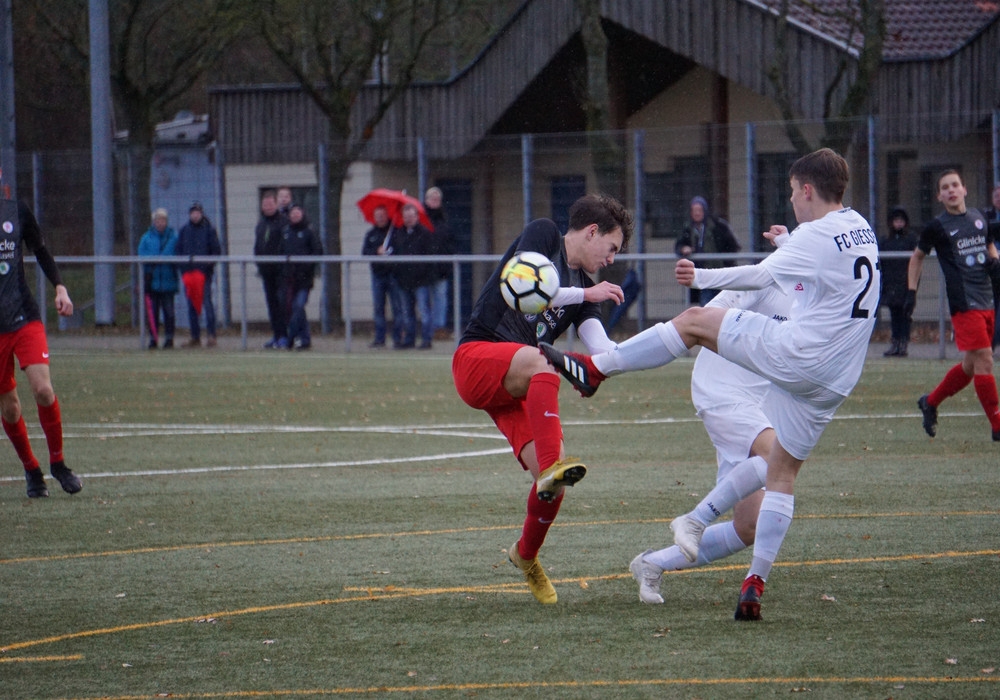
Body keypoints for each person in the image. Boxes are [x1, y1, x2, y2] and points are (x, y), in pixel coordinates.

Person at [541, 149, 880, 620]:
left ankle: (602, 375)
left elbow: (771, 272)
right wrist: (786, 247)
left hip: (790, 366)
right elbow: (800, 274)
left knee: (697, 324)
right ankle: (742, 582)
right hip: (799, 382)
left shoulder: (809, 248)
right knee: (768, 488)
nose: (791, 204)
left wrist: (700, 274)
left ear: (806, 190)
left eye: (790, 192)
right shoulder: (855, 231)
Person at [452, 193, 632, 604]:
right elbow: (527, 284)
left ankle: (525, 555)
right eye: (612, 247)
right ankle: (554, 464)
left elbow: (605, 350)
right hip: (477, 358)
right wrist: (586, 298)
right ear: (591, 232)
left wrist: (666, 341)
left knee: (552, 487)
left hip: (516, 383)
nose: (611, 259)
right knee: (545, 363)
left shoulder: (587, 291)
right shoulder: (545, 233)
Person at [630, 283, 790, 604]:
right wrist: (616, 356)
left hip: (758, 405)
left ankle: (652, 563)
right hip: (724, 394)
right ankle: (695, 519)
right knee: (779, 457)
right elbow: (698, 319)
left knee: (748, 526)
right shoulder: (763, 278)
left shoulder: (819, 295)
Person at [907, 170, 1000, 441]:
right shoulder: (937, 226)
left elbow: (989, 247)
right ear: (939, 195)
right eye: (945, 187)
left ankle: (931, 402)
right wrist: (911, 292)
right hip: (964, 303)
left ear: (964, 189)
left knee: (971, 365)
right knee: (984, 359)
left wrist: (995, 263)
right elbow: (917, 257)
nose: (951, 190)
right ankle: (997, 424)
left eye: (955, 185)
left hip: (986, 299)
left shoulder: (979, 219)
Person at [0, 197, 82, 497]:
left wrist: (60, 287)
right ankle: (32, 470)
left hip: (24, 317)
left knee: (43, 390)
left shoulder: (15, 211)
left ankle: (58, 464)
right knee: (9, 408)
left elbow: (41, 250)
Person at [674, 196, 740, 305]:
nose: (697, 213)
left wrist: (724, 260)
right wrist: (683, 248)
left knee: (726, 303)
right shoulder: (688, 228)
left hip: (721, 272)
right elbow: (679, 245)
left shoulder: (718, 226)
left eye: (699, 210)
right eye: (694, 210)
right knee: (707, 305)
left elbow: (733, 245)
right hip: (703, 275)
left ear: (705, 211)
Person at [175, 202, 221, 348]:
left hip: (204, 275)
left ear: (201, 213)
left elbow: (216, 251)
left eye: (198, 212)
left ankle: (211, 335)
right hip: (189, 275)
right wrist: (184, 270)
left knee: (207, 305)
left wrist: (207, 268)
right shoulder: (184, 231)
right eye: (193, 212)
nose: (195, 215)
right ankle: (195, 337)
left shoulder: (209, 230)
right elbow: (178, 252)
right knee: (192, 306)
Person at [390, 203, 434, 349]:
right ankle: (409, 340)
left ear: (416, 216)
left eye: (411, 216)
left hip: (421, 280)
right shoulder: (397, 233)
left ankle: (426, 339)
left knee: (424, 311)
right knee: (407, 313)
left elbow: (429, 256)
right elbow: (394, 252)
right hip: (403, 280)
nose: (408, 219)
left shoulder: (425, 233)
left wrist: (423, 273)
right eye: (406, 216)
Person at [281, 204, 323, 350]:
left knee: (298, 306)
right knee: (295, 309)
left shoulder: (309, 232)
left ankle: (290, 338)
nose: (295, 215)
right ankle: (304, 339)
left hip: (304, 279)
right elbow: (280, 252)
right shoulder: (285, 232)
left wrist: (306, 266)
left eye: (298, 213)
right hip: (289, 279)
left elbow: (318, 251)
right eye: (293, 213)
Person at [138, 208, 179, 349]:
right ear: (154, 221)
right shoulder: (146, 238)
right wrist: (155, 260)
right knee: (152, 313)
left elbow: (178, 255)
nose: (160, 223)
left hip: (168, 281)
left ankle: (169, 339)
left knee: (169, 313)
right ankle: (153, 339)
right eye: (158, 220)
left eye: (163, 220)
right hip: (153, 282)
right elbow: (141, 256)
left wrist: (165, 260)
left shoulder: (174, 237)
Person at [879, 206, 917, 357]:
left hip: (906, 284)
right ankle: (895, 342)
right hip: (891, 284)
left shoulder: (910, 240)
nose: (898, 224)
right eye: (896, 221)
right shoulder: (886, 241)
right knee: (894, 314)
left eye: (901, 221)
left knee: (905, 314)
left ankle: (903, 343)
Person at [254, 190, 289, 349]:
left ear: (276, 204)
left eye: (270, 204)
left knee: (282, 304)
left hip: (280, 272)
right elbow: (258, 246)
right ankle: (276, 335)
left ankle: (285, 336)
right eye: (265, 204)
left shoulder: (283, 223)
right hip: (266, 272)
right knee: (272, 305)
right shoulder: (261, 224)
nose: (267, 207)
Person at [361, 204, 399, 348]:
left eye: (382, 215)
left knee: (397, 308)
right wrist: (376, 251)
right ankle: (379, 338)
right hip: (378, 276)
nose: (380, 218)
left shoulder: (395, 233)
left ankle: (397, 338)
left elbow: (401, 250)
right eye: (378, 215)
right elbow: (365, 253)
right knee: (378, 308)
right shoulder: (371, 234)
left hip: (393, 275)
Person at [423, 186, 455, 340]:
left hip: (441, 268)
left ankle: (438, 328)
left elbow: (451, 242)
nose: (435, 202)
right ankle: (426, 329)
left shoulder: (445, 220)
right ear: (426, 200)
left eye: (437, 199)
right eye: (432, 198)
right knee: (423, 300)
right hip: (423, 269)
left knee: (440, 298)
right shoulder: (421, 220)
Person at [984, 184, 1000, 349]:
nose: (999, 199)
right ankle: (991, 342)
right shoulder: (987, 217)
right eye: (997, 196)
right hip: (993, 268)